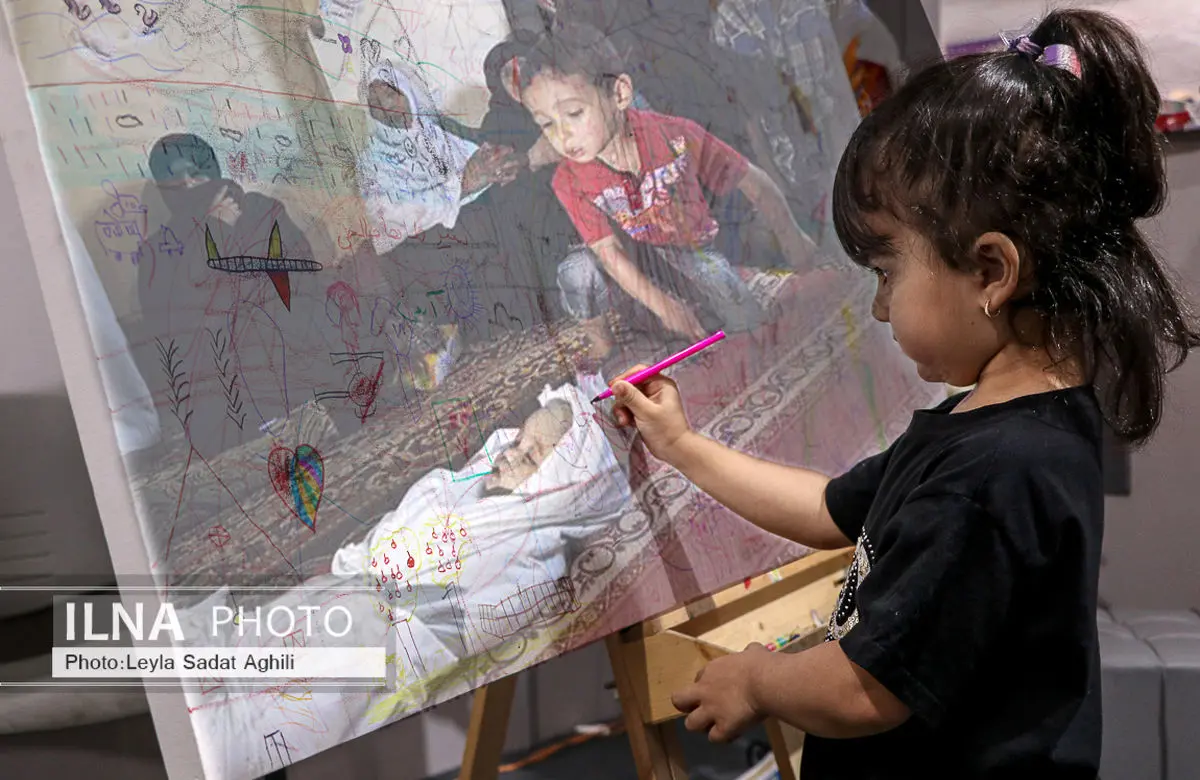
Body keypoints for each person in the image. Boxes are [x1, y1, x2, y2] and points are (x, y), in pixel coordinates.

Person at [602, 10, 1200, 777]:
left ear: (990, 272)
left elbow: (862, 688)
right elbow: (827, 510)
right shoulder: (989, 426)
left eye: (887, 274)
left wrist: (756, 678)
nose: (880, 308)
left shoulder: (996, 473)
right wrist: (680, 445)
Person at [516, 23, 818, 353]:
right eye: (546, 124)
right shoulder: (568, 178)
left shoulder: (673, 136)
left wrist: (793, 239)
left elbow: (754, 182)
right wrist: (665, 308)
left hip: (686, 252)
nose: (562, 136)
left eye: (573, 113)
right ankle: (601, 341)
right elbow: (609, 253)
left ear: (619, 94)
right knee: (577, 272)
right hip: (625, 266)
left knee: (748, 321)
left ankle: (685, 311)